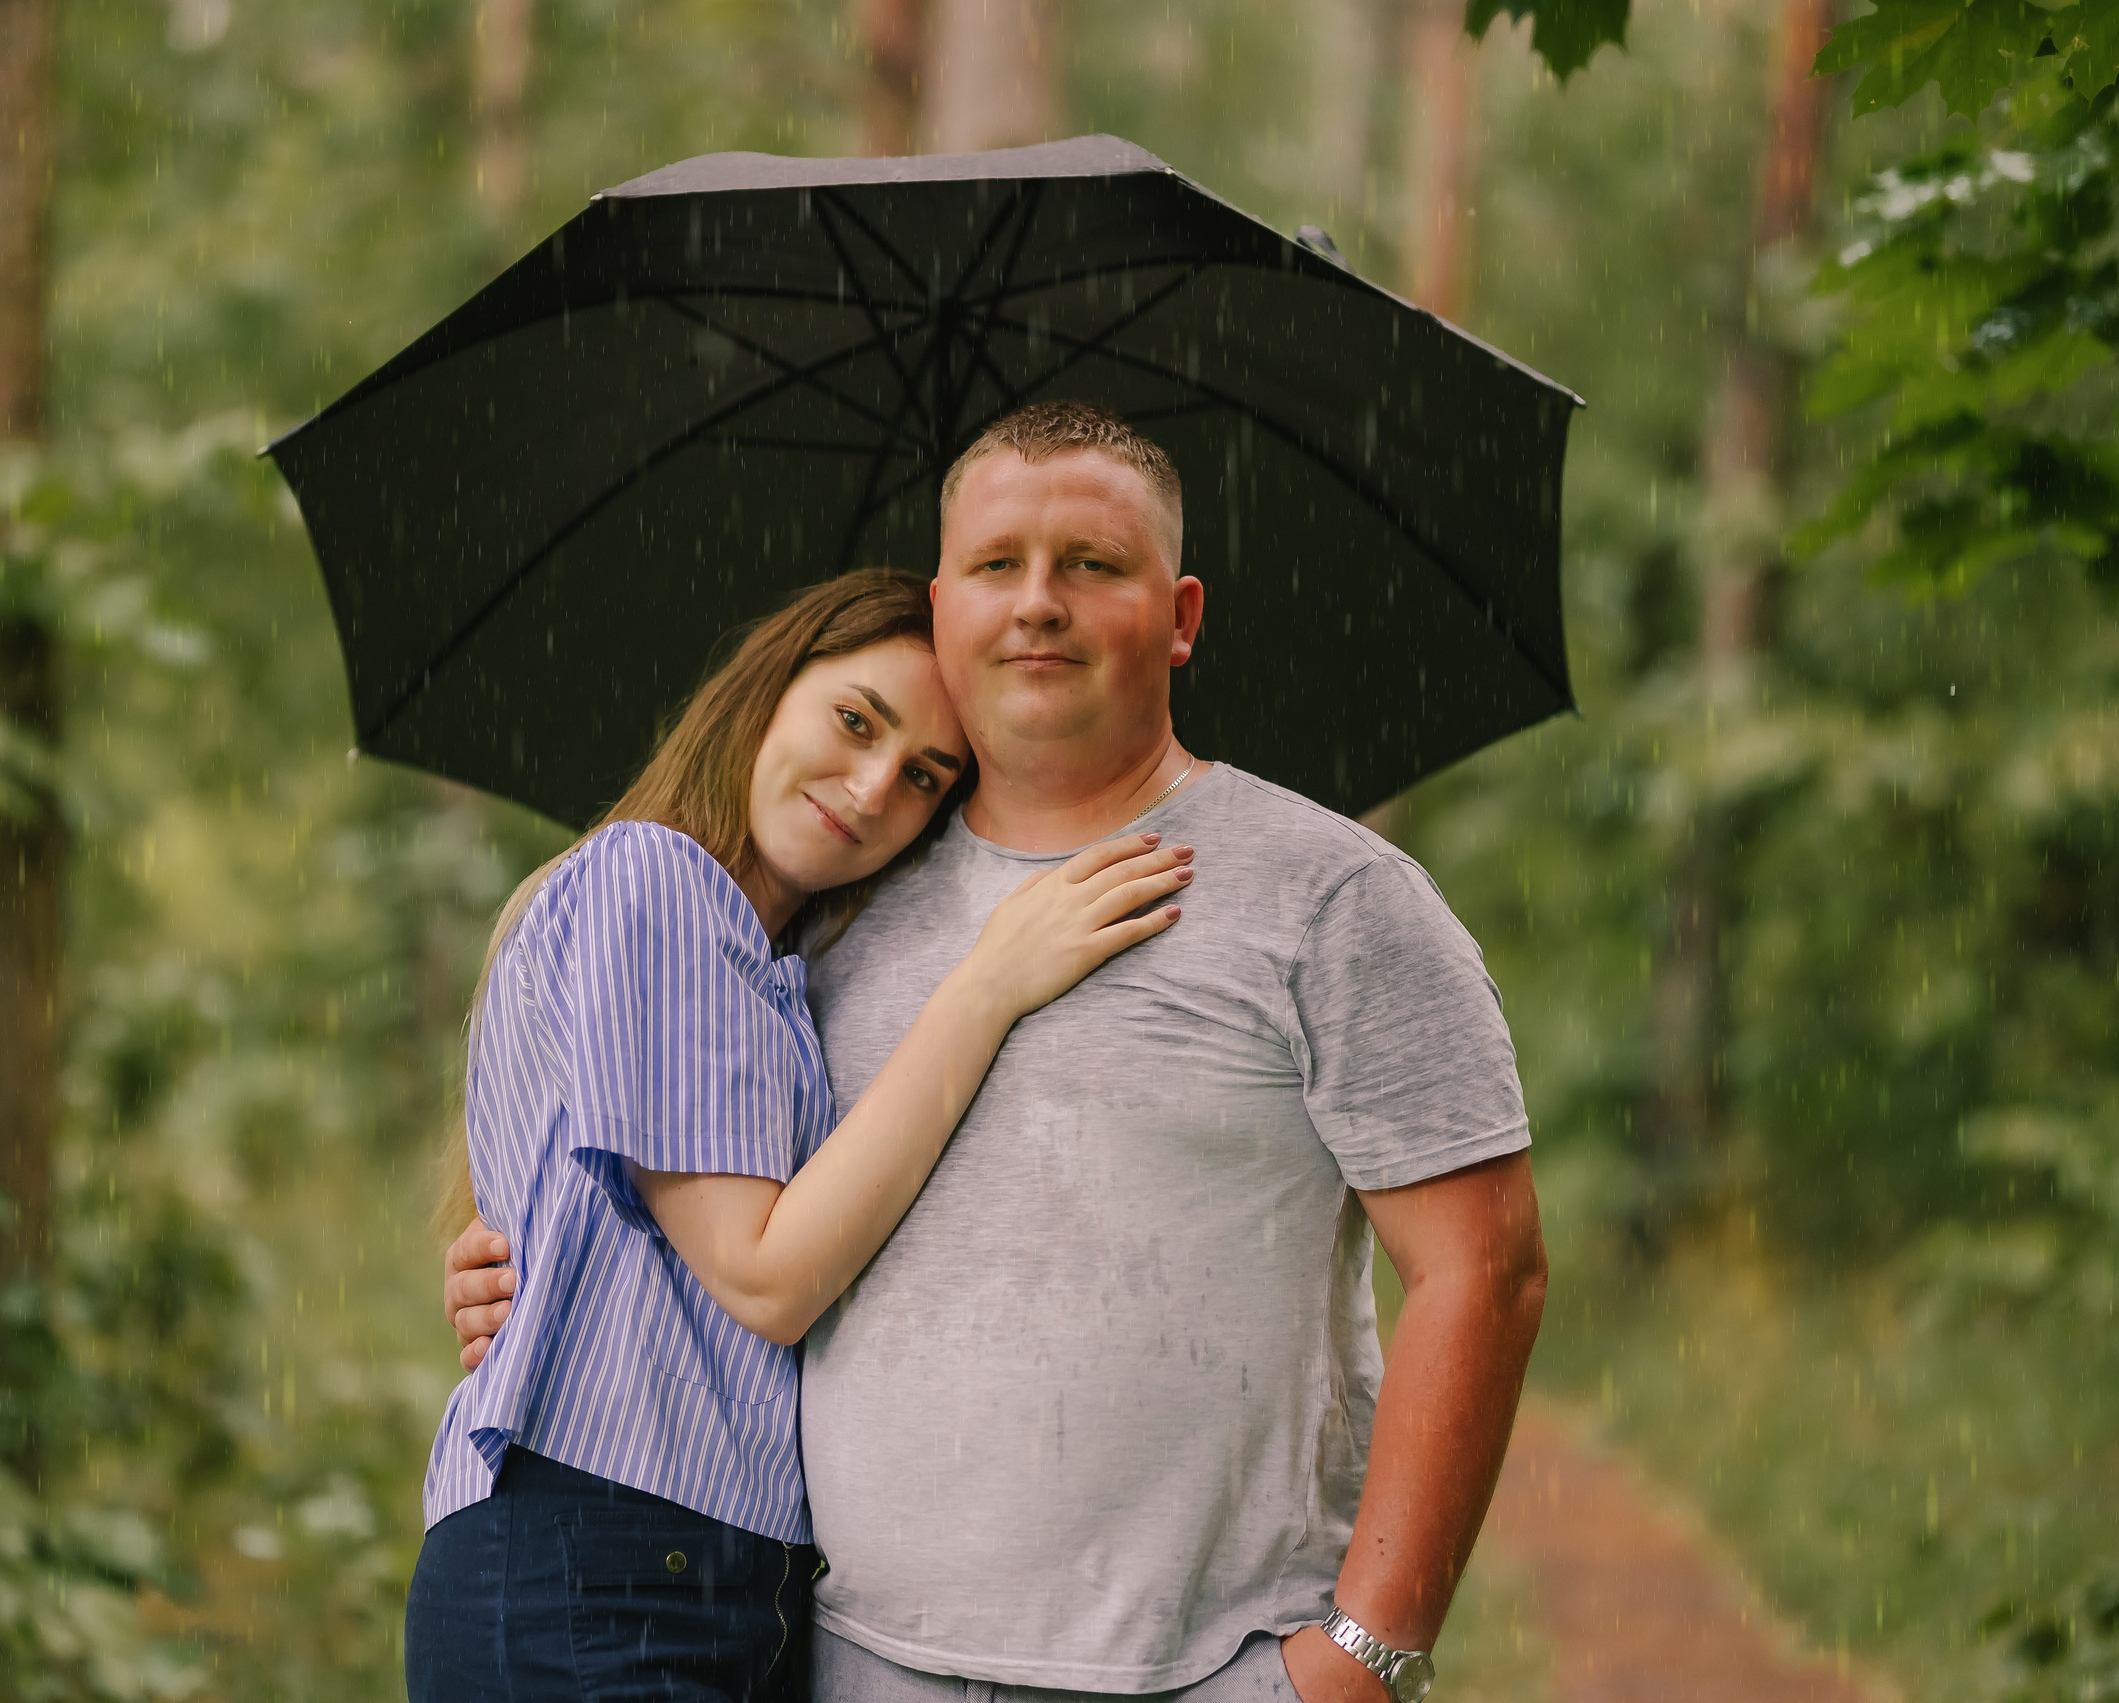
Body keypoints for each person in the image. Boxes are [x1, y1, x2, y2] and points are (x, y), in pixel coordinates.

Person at [450, 401, 1550, 1703]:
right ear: (943, 603)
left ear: (1181, 612)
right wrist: (525, 1257)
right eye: (996, 565)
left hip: (1205, 1668)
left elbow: (1486, 1267)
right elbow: (754, 1228)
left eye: (1092, 563)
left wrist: (1365, 1653)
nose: (1039, 601)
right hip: (838, 1657)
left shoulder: (1329, 896)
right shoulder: (837, 910)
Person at [405, 565, 1196, 1702]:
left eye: (925, 773)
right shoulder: (655, 879)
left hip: (729, 1586)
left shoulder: (786, 976)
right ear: (767, 688)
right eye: (854, 719)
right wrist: (989, 986)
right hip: (600, 1568)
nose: (874, 787)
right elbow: (768, 1274)